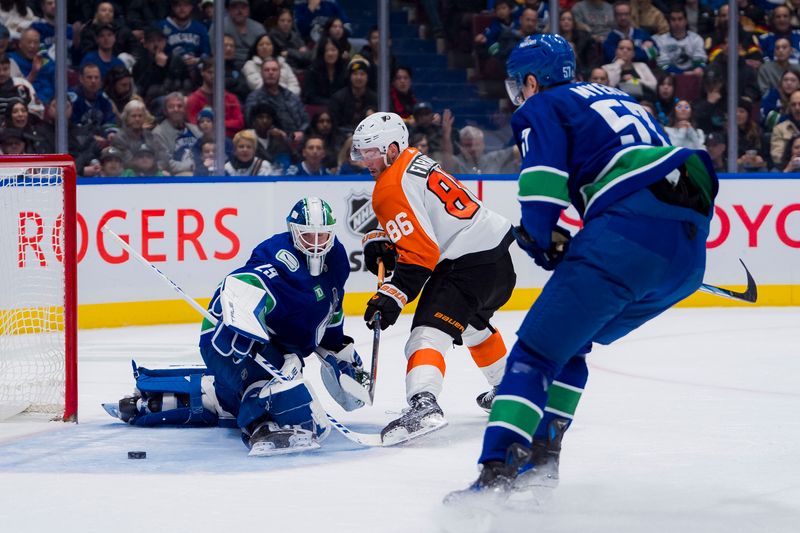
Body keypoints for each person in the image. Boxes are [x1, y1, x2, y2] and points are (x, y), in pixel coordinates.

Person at [446, 34, 718, 503]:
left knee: (533, 353)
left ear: (532, 81)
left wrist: (538, 232)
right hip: (688, 253)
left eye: (519, 86)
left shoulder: (542, 105)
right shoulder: (623, 98)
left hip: (628, 235)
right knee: (569, 344)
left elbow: (543, 181)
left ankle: (498, 472)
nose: (519, 96)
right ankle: (543, 459)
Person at [105, 197, 370, 456]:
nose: (314, 244)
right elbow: (242, 283)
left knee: (240, 400)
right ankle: (260, 428)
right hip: (227, 336)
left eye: (321, 236)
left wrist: (337, 349)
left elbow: (331, 304)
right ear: (293, 232)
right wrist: (244, 325)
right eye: (307, 236)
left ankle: (159, 400)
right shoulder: (276, 254)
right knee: (276, 390)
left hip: (279, 347)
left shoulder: (337, 259)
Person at [351, 111, 517, 445]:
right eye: (362, 151)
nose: (365, 159)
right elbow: (424, 216)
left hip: (466, 266)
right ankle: (511, 391)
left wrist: (392, 296)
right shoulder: (415, 159)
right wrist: (389, 241)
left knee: (426, 337)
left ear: (393, 149)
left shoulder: (386, 188)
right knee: (471, 325)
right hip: (498, 261)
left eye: (372, 151)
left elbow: (422, 255)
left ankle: (423, 404)